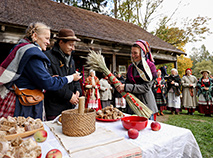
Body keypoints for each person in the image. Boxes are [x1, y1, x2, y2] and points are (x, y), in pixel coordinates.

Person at [0, 22, 81, 119]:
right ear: (35, 36)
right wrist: (71, 78)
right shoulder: (33, 55)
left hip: (23, 99)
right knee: (25, 132)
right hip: (24, 103)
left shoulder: (23, 48)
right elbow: (48, 83)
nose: (48, 42)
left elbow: (37, 78)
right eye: (46, 38)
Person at [44, 28, 82, 120]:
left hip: (70, 107)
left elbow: (75, 78)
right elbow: (50, 83)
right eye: (70, 45)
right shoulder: (47, 57)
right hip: (54, 108)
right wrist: (69, 96)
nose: (73, 48)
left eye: (74, 45)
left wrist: (78, 91)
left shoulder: (71, 60)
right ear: (61, 42)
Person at [116, 40, 158, 120]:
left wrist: (125, 87)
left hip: (145, 104)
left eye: (135, 53)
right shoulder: (131, 67)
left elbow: (146, 87)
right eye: (131, 53)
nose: (133, 55)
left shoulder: (150, 67)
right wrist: (118, 83)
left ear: (142, 53)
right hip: (132, 105)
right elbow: (127, 82)